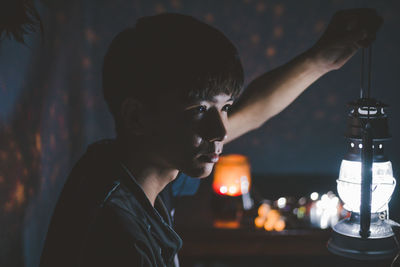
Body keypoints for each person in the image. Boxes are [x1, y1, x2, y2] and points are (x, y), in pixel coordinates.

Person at [40, 9, 383, 267]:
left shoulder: (130, 163)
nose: (221, 131)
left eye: (226, 107)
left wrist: (320, 60)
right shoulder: (117, 238)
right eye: (200, 109)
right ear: (137, 116)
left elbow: (254, 110)